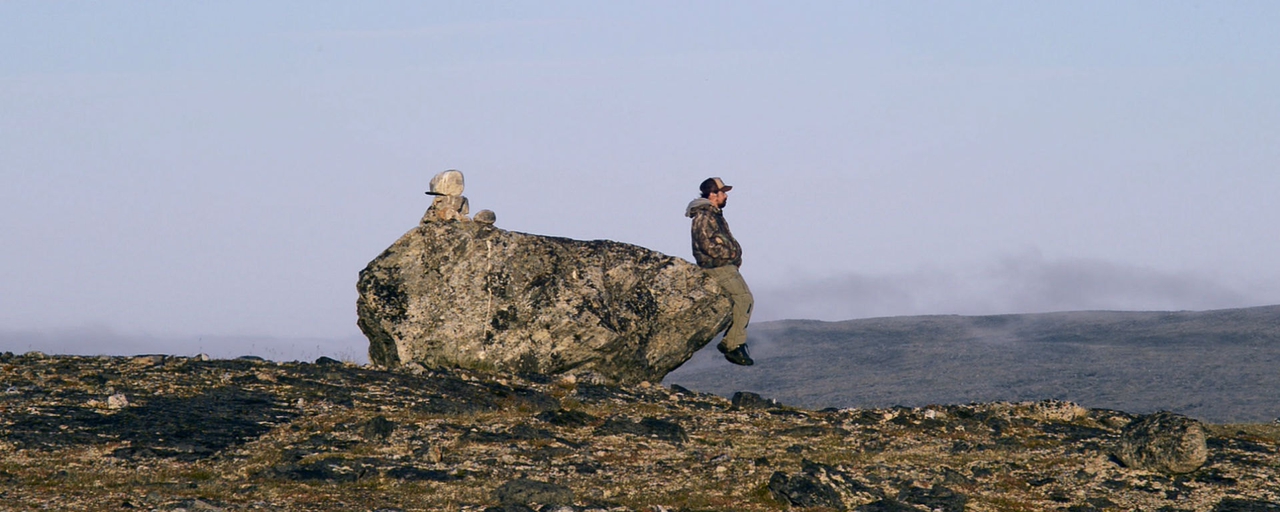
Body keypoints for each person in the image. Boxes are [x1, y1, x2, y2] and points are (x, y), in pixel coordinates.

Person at [686, 177, 755, 366]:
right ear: (712, 194)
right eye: (722, 192)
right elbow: (706, 244)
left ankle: (734, 341)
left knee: (739, 301)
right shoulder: (705, 216)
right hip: (719, 267)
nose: (725, 196)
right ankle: (733, 344)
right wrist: (731, 254)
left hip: (724, 266)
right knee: (744, 299)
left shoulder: (713, 215)